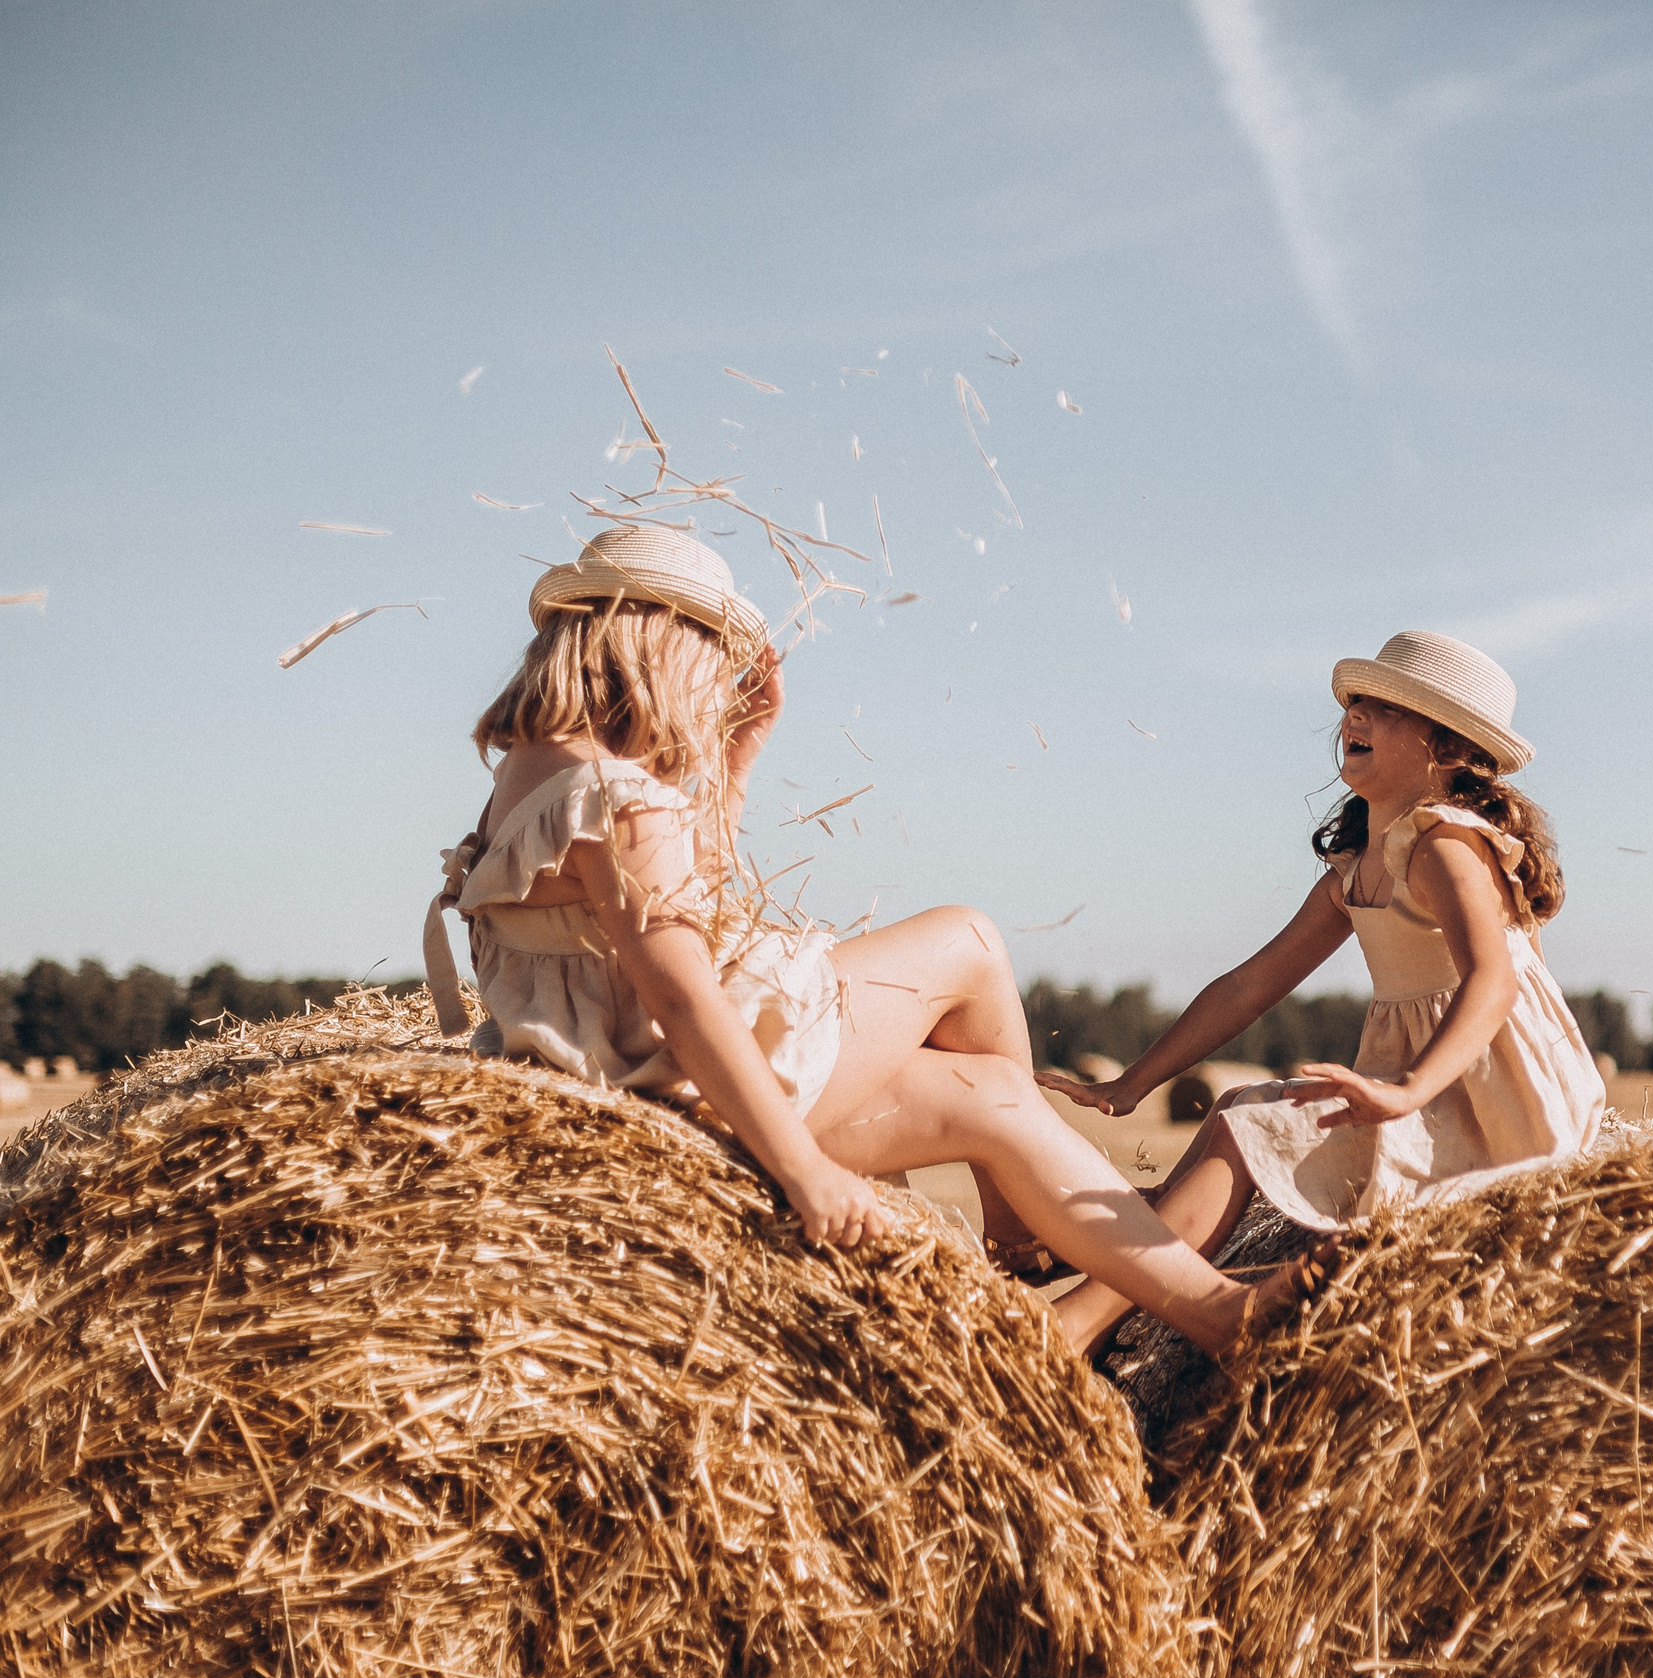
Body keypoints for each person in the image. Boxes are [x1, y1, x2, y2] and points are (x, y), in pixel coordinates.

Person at [424, 524, 1313, 1354]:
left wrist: (737, 762)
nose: (712, 684)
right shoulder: (614, 800)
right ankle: (1023, 1233)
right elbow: (683, 995)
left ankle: (1202, 1308)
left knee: (995, 1096)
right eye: (710, 657)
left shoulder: (528, 776)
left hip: (618, 1076)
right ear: (660, 643)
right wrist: (804, 1169)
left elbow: (687, 909)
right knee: (971, 941)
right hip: (681, 1081)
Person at [1041, 630, 1604, 1353]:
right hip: (1422, 1083)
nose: (1358, 716)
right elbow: (1249, 986)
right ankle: (1117, 1259)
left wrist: (1406, 1087)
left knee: (1247, 1132)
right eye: (1359, 701)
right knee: (1234, 1110)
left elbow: (1491, 984)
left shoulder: (1444, 845)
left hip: (1493, 1099)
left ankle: (1081, 1320)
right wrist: (1135, 1081)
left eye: (1390, 707)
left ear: (1454, 751)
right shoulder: (1357, 867)